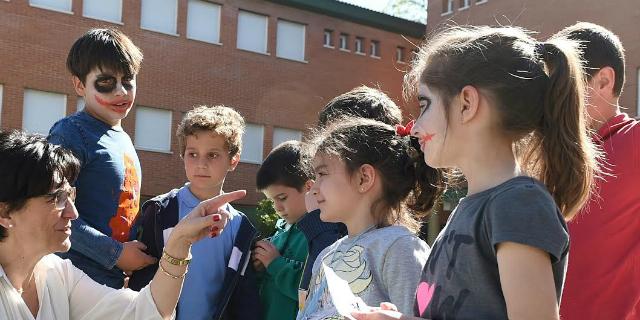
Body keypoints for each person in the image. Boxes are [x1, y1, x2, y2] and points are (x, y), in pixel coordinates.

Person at [351, 25, 600, 320]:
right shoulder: (473, 207)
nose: (414, 127)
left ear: (467, 104)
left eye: (424, 104)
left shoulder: (518, 203)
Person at [0, 130, 244, 319]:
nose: (73, 213)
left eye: (70, 196)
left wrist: (179, 243)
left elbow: (143, 314)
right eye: (56, 198)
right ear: (5, 211)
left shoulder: (58, 273)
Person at [129, 105, 261, 320]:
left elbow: (243, 295)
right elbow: (140, 278)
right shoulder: (160, 210)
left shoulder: (242, 228)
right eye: (193, 154)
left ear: (233, 161)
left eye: (213, 155)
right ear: (182, 156)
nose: (201, 164)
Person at [297, 117, 437, 319]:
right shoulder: (325, 255)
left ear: (364, 178)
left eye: (322, 174)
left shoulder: (400, 248)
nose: (314, 188)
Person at [47, 28, 154, 288]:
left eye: (127, 80)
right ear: (79, 84)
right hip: (73, 280)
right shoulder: (70, 132)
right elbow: (52, 209)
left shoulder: (124, 139)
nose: (120, 91)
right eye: (106, 82)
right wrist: (117, 255)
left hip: (111, 282)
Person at [550, 22, 640, 320]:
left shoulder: (635, 140)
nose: (550, 100)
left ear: (604, 81)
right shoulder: (548, 155)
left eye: (561, 85)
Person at [253, 141, 313, 320]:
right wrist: (259, 268)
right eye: (272, 200)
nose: (277, 207)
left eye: (282, 198)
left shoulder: (322, 235)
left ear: (309, 188)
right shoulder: (280, 232)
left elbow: (313, 293)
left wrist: (275, 264)